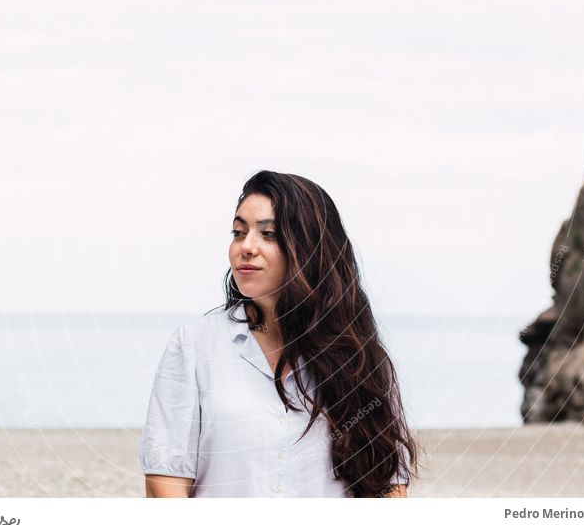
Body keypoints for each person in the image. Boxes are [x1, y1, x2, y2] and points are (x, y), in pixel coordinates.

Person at [140, 170, 419, 497]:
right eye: (238, 232)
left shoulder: (360, 357)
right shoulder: (195, 345)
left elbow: (387, 486)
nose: (246, 247)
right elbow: (166, 481)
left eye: (268, 234)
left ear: (311, 247)